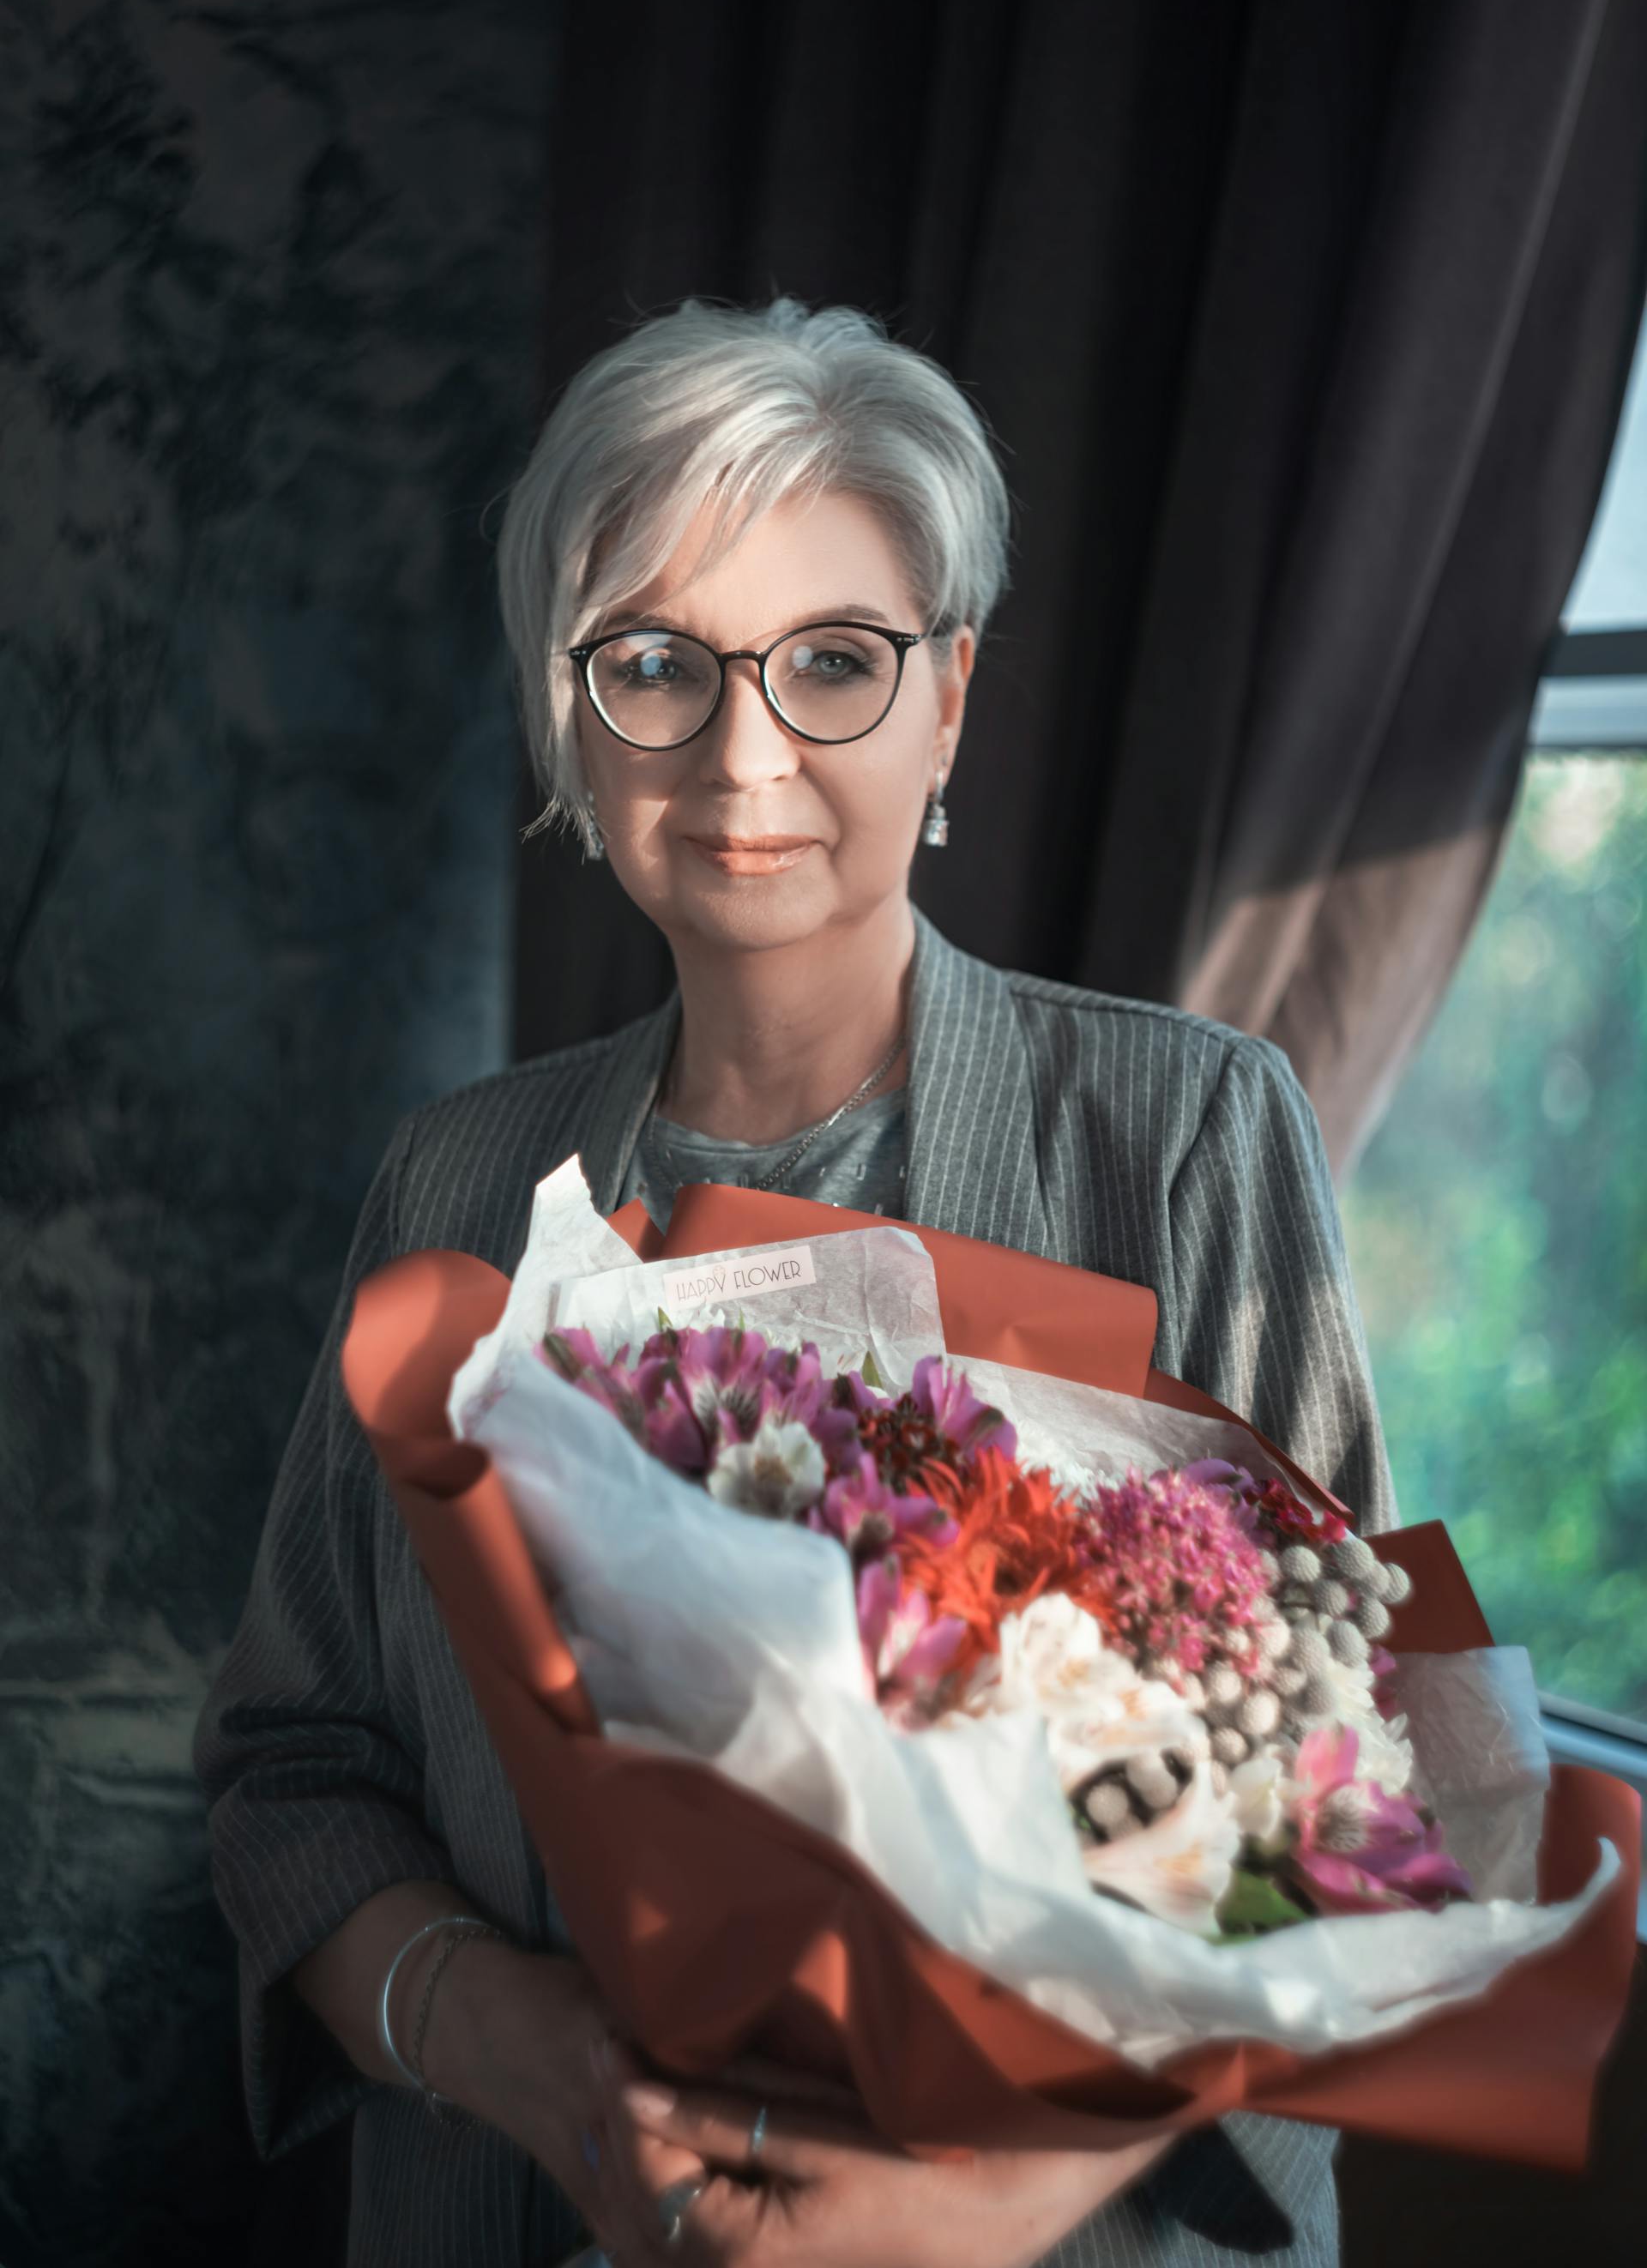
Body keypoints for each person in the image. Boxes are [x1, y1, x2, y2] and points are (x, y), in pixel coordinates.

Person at [194, 294, 1400, 2268]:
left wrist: (979, 2201)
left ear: (950, 698)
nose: (745, 754)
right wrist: (531, 2058)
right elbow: (290, 1767)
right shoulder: (456, 1182)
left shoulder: (1184, 1136)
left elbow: (1339, 1808)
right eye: (653, 664)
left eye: (834, 661)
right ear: (565, 712)